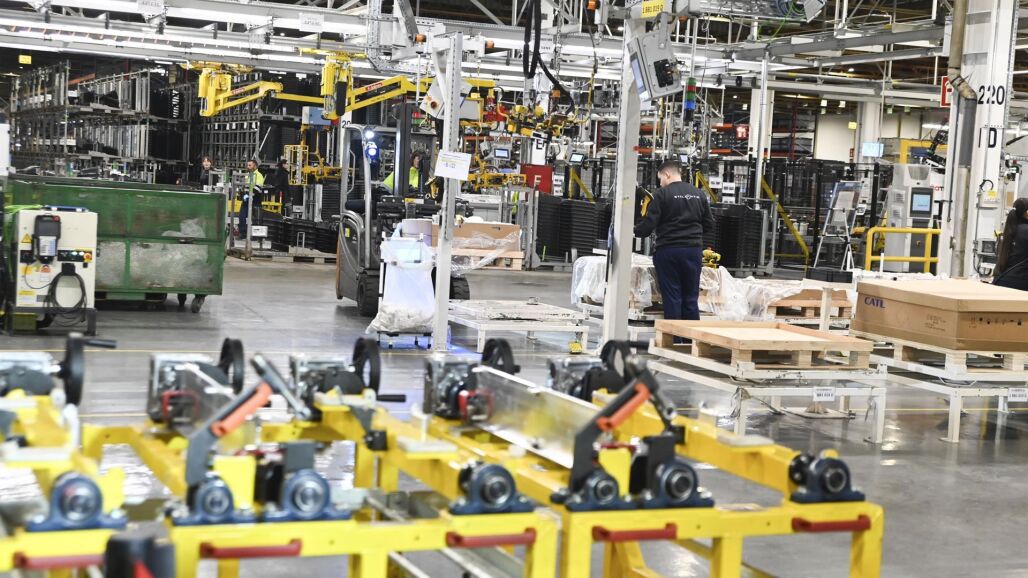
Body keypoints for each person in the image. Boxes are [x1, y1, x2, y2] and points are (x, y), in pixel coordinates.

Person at [634, 160, 715, 322]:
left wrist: (634, 229)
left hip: (669, 251)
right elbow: (709, 224)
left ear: (667, 174)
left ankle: (674, 335)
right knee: (691, 297)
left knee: (672, 297)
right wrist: (692, 236)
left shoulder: (662, 194)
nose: (660, 183)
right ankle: (690, 335)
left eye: (660, 178)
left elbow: (648, 225)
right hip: (693, 251)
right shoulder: (699, 194)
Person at [994, 198, 1028, 291]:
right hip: (1022, 283)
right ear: (1026, 213)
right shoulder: (1025, 230)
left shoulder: (1010, 230)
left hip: (1003, 280)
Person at [239, 159, 264, 237]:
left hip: (255, 200)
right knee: (242, 216)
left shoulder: (259, 175)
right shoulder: (248, 175)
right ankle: (243, 233)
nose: (248, 167)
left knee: (255, 219)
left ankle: (255, 235)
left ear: (255, 166)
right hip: (246, 200)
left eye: (250, 165)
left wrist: (250, 195)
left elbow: (258, 188)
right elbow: (245, 186)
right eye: (247, 165)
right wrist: (243, 193)